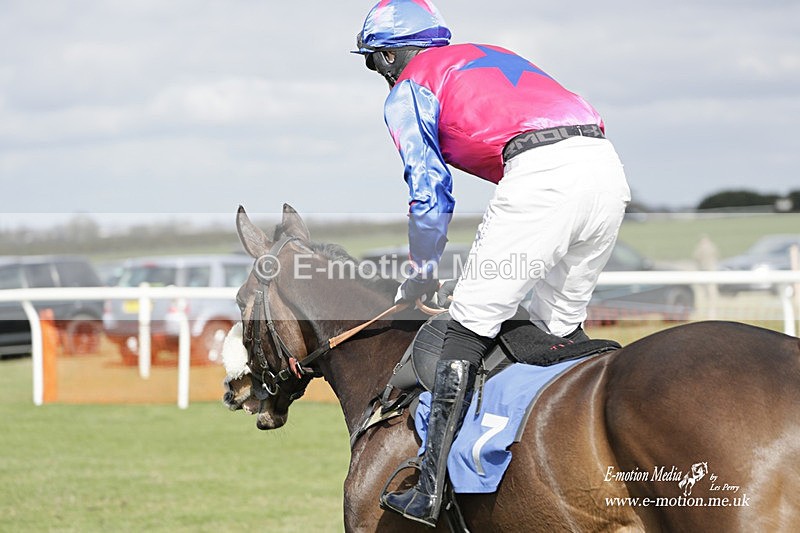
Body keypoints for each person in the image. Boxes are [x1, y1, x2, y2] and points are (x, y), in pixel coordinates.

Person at [353, 0, 631, 526]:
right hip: (606, 169)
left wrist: (421, 273)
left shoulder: (409, 87)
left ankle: (429, 489)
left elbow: (430, 191)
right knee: (557, 329)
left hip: (542, 175)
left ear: (388, 57)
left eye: (373, 62)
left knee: (467, 326)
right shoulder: (489, 54)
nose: (378, 73)